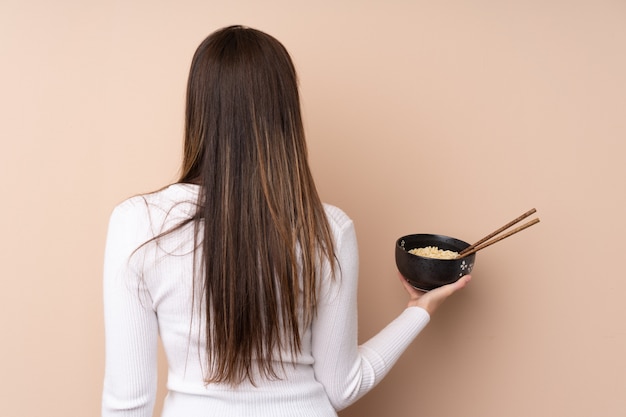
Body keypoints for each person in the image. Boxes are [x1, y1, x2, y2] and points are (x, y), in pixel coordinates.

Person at [101, 25, 471, 417]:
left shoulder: (137, 224)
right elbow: (341, 386)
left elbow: (128, 405)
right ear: (285, 115)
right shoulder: (328, 229)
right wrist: (419, 311)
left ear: (197, 109)